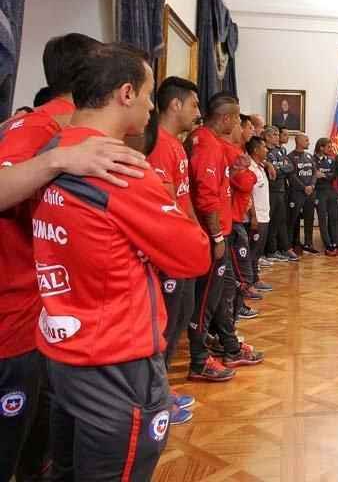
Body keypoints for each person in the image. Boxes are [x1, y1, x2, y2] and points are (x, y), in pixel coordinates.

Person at [32, 42, 211, 480]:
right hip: (117, 361)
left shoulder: (54, 149)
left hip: (63, 350)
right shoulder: (121, 168)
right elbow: (193, 255)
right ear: (126, 93)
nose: (152, 107)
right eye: (150, 95)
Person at [0, 34, 148, 481]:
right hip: (17, 315)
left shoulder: (60, 130)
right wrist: (57, 160)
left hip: (45, 316)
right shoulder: (42, 129)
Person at [186, 93, 263, 382]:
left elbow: (228, 181)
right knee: (207, 299)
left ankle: (228, 345)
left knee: (221, 294)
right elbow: (207, 197)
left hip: (221, 230)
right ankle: (198, 360)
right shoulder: (207, 143)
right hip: (215, 234)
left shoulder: (207, 142)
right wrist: (217, 236)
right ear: (228, 118)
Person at [147, 76, 202, 425]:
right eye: (194, 104)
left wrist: (196, 235)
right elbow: (162, 204)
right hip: (168, 254)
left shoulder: (177, 145)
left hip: (183, 249)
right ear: (175, 104)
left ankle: (162, 390)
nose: (198, 112)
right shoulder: (157, 145)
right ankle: (155, 399)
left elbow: (184, 198)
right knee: (164, 328)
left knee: (179, 318)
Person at [224, 115, 263, 323]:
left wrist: (248, 174)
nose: (252, 131)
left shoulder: (239, 152)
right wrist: (247, 174)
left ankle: (238, 309)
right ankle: (233, 313)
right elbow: (246, 183)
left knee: (242, 272)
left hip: (239, 216)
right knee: (240, 273)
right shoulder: (230, 151)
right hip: (232, 220)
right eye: (247, 126)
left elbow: (250, 179)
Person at [264, 126, 298, 261]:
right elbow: (274, 173)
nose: (278, 137)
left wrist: (279, 169)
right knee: (270, 221)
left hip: (281, 189)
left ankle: (280, 248)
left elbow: (290, 167)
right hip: (271, 190)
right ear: (267, 137)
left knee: (280, 220)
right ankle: (269, 251)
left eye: (278, 134)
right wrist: (280, 169)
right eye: (275, 134)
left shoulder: (281, 150)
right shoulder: (266, 151)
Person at [247, 136, 274, 276]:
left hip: (265, 214)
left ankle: (254, 278)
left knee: (258, 250)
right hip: (257, 216)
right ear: (256, 150)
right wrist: (253, 216)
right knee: (253, 251)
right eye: (264, 147)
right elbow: (248, 193)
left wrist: (268, 164)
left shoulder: (260, 166)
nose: (266, 149)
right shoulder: (250, 168)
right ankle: (251, 280)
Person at [288, 133, 317, 254]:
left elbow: (315, 172)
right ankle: (291, 244)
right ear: (298, 141)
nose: (308, 142)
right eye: (306, 140)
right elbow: (291, 175)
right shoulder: (290, 156)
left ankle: (308, 243)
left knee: (309, 218)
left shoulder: (310, 156)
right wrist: (303, 187)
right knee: (293, 219)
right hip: (297, 193)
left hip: (310, 193)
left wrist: (312, 185)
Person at [313, 138, 338, 256]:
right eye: (328, 147)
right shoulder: (312, 160)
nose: (331, 149)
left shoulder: (331, 160)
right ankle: (328, 245)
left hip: (331, 191)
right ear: (321, 147)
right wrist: (323, 175)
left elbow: (334, 175)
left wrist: (323, 175)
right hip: (319, 192)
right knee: (323, 220)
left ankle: (335, 244)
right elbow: (314, 175)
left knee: (334, 218)